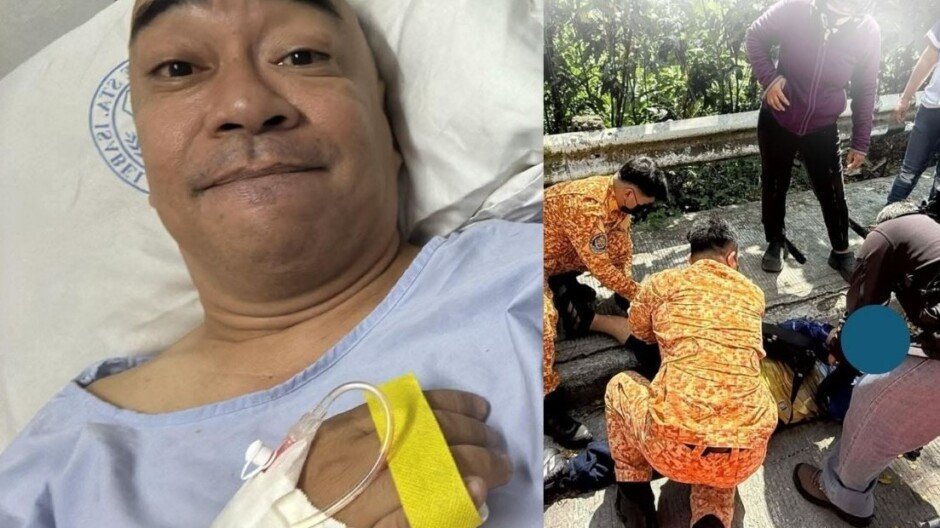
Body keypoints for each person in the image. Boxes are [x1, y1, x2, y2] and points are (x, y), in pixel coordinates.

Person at [0, 1, 542, 526]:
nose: (244, 105)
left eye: (302, 56)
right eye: (179, 69)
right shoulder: (47, 479)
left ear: (385, 121)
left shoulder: (528, 286)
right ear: (143, 150)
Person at [605, 215, 776, 528]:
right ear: (732, 258)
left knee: (619, 385)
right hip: (746, 454)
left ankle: (635, 499)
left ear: (690, 258)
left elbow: (640, 330)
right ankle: (711, 516)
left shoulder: (663, 283)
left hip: (670, 451)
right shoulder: (753, 293)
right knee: (722, 450)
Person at [792, 200, 940, 527]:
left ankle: (841, 493)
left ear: (877, 226)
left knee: (871, 398)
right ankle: (911, 440)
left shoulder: (884, 236)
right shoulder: (929, 237)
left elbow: (862, 314)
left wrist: (838, 347)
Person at [746, 0, 882, 280]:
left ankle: (841, 250)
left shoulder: (867, 30)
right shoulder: (796, 7)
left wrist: (861, 140)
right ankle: (776, 240)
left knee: (832, 190)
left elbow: (866, 87)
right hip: (779, 116)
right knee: (774, 183)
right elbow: (755, 35)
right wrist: (769, 78)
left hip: (823, 125)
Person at [542, 157, 669, 446]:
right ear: (630, 194)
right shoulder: (587, 207)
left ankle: (564, 283)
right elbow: (601, 269)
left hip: (560, 252)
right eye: (644, 204)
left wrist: (627, 292)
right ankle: (548, 407)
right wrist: (641, 295)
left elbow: (622, 251)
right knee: (544, 325)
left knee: (611, 247)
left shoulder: (617, 202)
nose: (643, 209)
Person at [886, 21, 940, 204]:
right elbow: (927, 59)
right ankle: (888, 217)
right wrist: (905, 98)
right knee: (907, 173)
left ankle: (933, 219)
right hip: (931, 111)